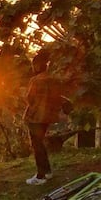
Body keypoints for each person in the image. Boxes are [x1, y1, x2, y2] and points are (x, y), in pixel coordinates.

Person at [24, 50, 62, 185]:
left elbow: (29, 98)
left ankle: (41, 175)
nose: (33, 68)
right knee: (40, 144)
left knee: (37, 145)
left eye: (34, 65)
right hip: (48, 116)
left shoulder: (35, 80)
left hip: (35, 117)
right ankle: (47, 171)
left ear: (39, 65)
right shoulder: (53, 79)